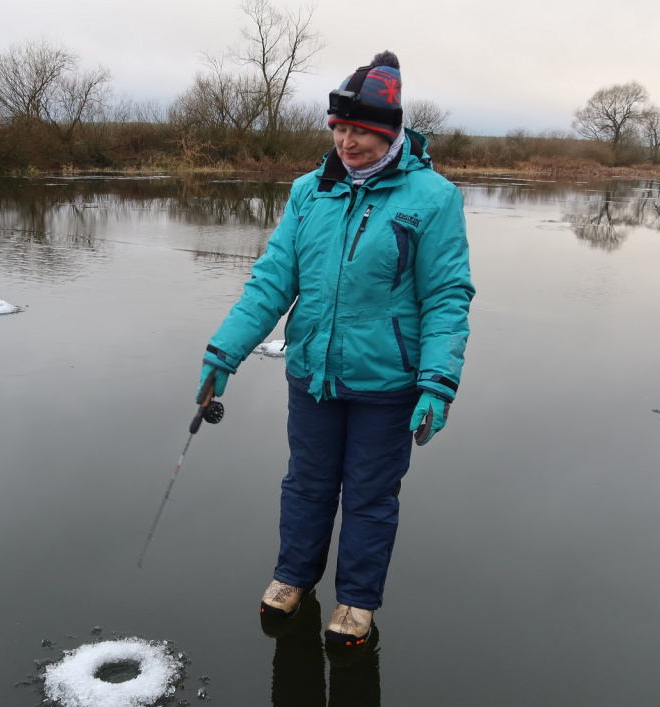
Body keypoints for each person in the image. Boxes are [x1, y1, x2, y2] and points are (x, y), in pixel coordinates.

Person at [197, 51, 474, 647]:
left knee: (371, 495)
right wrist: (224, 354)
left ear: (392, 131)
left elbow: (448, 298)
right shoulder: (308, 193)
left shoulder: (433, 198)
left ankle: (355, 601)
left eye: (363, 131)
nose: (348, 141)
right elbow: (272, 281)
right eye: (340, 128)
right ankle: (293, 576)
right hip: (313, 372)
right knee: (307, 483)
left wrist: (437, 382)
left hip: (387, 382)